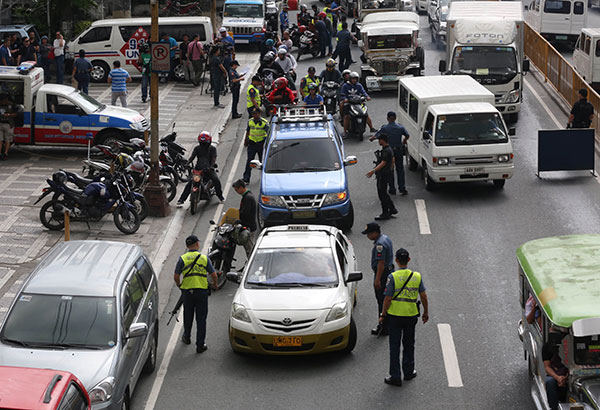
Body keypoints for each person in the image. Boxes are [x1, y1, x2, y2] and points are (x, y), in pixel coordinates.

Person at [379, 248, 429, 386]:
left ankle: (395, 376)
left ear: (396, 260)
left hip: (395, 316)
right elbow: (423, 296)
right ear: (408, 260)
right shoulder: (416, 276)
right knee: (409, 345)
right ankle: (408, 372)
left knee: (394, 347)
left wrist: (383, 315)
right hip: (411, 315)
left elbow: (387, 299)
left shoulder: (392, 277)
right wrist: (426, 312)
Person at [174, 235, 218, 353]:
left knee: (188, 316)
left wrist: (179, 285)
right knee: (201, 318)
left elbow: (176, 276)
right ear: (197, 244)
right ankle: (200, 345)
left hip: (187, 292)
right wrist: (215, 285)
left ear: (188, 246)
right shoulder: (204, 258)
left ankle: (186, 337)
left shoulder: (182, 259)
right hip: (201, 292)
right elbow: (214, 275)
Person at [362, 222, 394, 336]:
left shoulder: (379, 245)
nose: (368, 236)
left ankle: (383, 327)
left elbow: (381, 263)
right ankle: (388, 324)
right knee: (387, 298)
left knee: (381, 300)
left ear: (375, 233)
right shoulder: (386, 238)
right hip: (389, 271)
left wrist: (377, 279)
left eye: (369, 234)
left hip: (383, 274)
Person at [177, 131, 225, 206]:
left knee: (216, 180)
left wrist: (211, 166)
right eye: (202, 143)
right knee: (190, 183)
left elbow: (213, 158)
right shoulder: (197, 148)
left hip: (208, 169)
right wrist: (187, 163)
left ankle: (220, 197)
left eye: (205, 143)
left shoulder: (212, 149)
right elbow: (192, 157)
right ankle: (181, 199)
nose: (203, 145)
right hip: (198, 169)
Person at [371, 111, 410, 195]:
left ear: (388, 118)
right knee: (400, 170)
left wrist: (372, 138)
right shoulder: (400, 128)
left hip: (389, 152)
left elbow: (376, 136)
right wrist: (404, 140)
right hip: (399, 150)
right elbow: (407, 135)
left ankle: (392, 189)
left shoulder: (385, 128)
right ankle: (402, 188)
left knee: (390, 170)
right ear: (395, 118)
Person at [367, 134, 398, 220]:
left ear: (383, 140)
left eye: (379, 140)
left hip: (383, 175)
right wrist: (390, 170)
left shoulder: (386, 151)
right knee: (384, 193)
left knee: (382, 194)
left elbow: (383, 163)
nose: (378, 142)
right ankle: (392, 209)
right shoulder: (389, 149)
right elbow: (392, 160)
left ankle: (385, 213)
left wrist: (373, 171)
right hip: (387, 174)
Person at [340, 71, 377, 135]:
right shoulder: (345, 86)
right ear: (350, 79)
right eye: (353, 79)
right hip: (349, 102)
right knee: (347, 116)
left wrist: (367, 97)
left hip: (358, 102)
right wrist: (345, 99)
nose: (354, 80)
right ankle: (345, 131)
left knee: (365, 114)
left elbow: (363, 92)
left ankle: (371, 128)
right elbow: (342, 94)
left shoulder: (359, 85)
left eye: (355, 79)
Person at [543, 330, 569, 410]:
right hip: (557, 373)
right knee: (549, 382)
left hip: (572, 373)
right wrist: (558, 378)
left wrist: (567, 377)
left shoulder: (573, 345)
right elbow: (547, 367)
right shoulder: (548, 346)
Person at [243, 108, 269, 183]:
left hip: (261, 144)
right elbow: (248, 131)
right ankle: (246, 178)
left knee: (262, 162)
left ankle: (264, 178)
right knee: (249, 161)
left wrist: (266, 143)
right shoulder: (250, 121)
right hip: (252, 143)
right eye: (253, 113)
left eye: (256, 113)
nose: (254, 115)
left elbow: (268, 134)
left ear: (259, 114)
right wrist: (245, 140)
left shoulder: (264, 122)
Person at [0, 93, 18, 160]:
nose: (4, 101)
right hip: (0, 124)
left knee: (8, 140)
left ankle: (5, 153)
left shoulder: (12, 105)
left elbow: (16, 114)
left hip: (8, 124)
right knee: (0, 140)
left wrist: (8, 115)